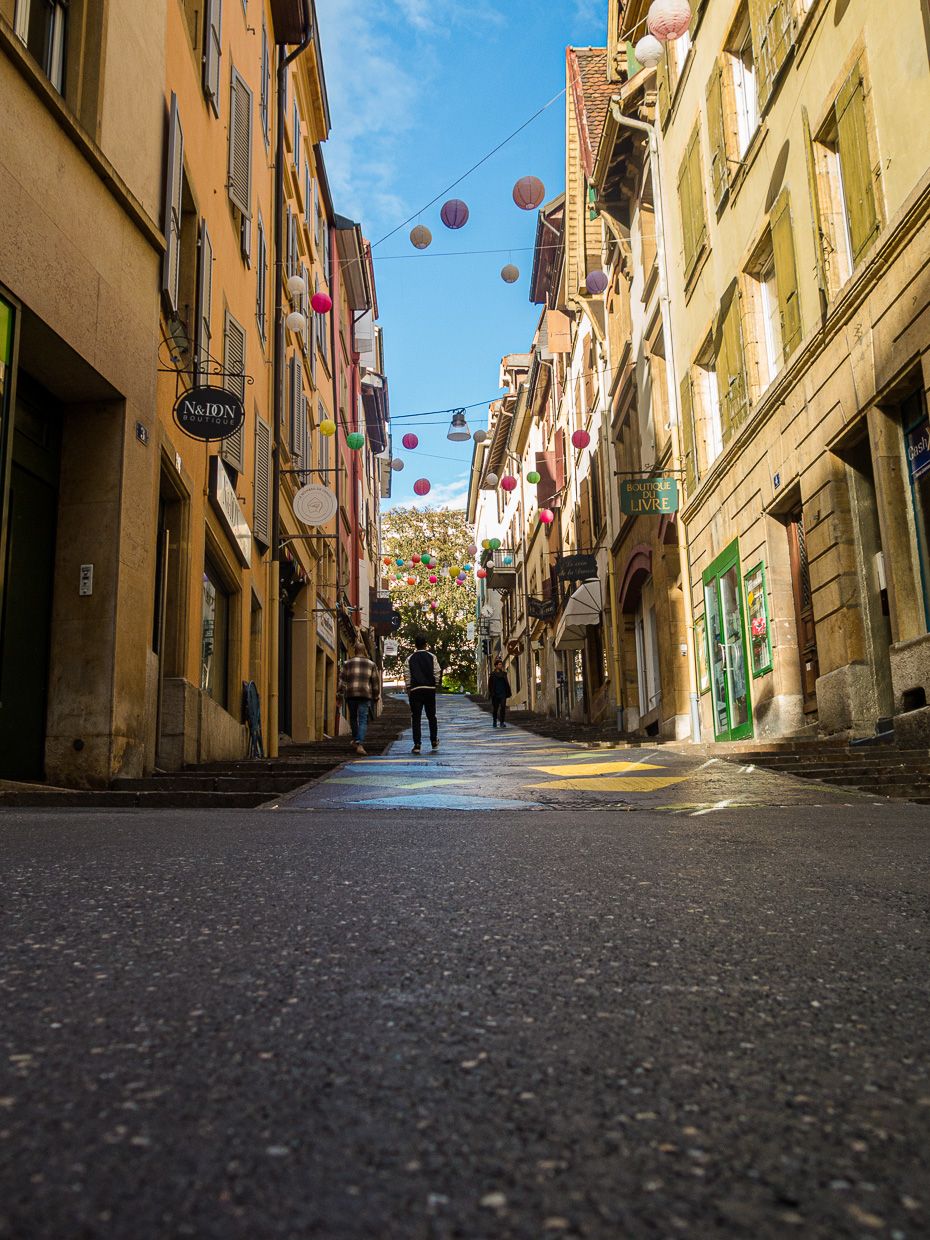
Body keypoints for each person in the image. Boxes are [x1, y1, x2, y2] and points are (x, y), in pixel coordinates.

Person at [336, 642, 381, 756]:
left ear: (355, 651)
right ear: (364, 651)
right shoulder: (371, 664)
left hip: (351, 694)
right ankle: (359, 743)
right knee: (362, 720)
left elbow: (342, 681)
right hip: (365, 694)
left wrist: (339, 695)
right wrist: (376, 696)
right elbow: (375, 683)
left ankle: (355, 739)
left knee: (352, 717)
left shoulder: (347, 663)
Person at [403, 633, 442, 754]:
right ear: (426, 645)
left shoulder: (410, 659)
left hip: (416, 690)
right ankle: (434, 740)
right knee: (431, 716)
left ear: (415, 645)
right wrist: (435, 686)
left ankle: (417, 744)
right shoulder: (432, 657)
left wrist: (409, 689)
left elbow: (407, 675)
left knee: (416, 717)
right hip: (429, 689)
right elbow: (437, 672)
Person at [488, 657, 511, 728]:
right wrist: (492, 693)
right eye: (500, 664)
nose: (501, 666)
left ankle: (502, 722)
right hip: (495, 694)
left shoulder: (504, 674)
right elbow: (490, 685)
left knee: (503, 707)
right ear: (496, 666)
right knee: (495, 709)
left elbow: (506, 683)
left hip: (503, 693)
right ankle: (494, 721)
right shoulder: (492, 675)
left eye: (501, 664)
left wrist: (507, 691)